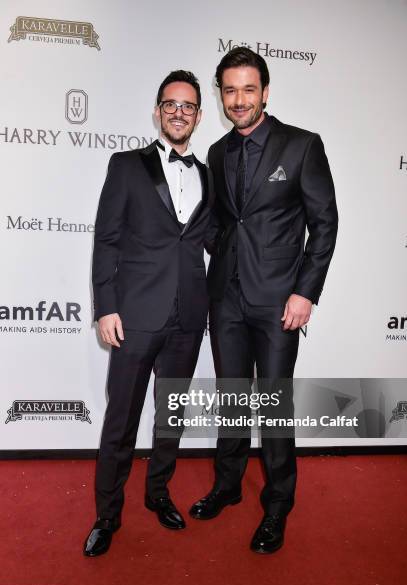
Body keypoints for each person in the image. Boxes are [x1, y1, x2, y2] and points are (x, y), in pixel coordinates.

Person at [189, 47, 338, 554]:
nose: (238, 100)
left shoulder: (301, 146)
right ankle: (227, 485)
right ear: (221, 95)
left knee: (273, 405)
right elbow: (221, 221)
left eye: (248, 89)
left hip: (279, 302)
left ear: (266, 92)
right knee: (231, 397)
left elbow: (325, 225)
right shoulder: (216, 153)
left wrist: (305, 291)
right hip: (225, 297)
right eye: (229, 90)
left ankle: (277, 506)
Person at [84, 70, 213, 557]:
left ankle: (158, 493)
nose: (179, 112)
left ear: (199, 115)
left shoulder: (208, 175)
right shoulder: (126, 165)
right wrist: (106, 307)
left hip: (187, 317)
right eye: (170, 104)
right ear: (158, 111)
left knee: (170, 416)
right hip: (135, 314)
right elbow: (107, 239)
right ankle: (107, 514)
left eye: (188, 106)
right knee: (121, 420)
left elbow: (211, 240)